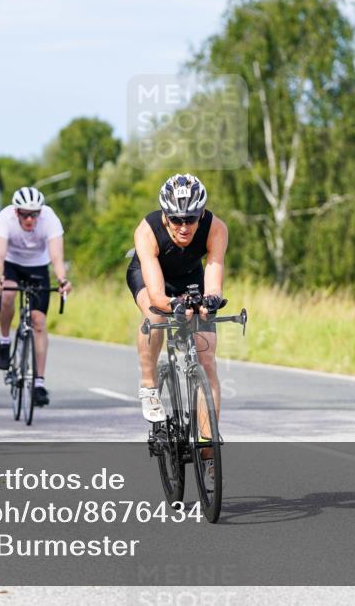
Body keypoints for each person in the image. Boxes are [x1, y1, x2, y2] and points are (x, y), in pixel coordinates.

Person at [126, 173, 228, 485]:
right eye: (176, 219)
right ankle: (149, 385)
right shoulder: (147, 231)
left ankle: (208, 449)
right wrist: (175, 305)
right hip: (151, 279)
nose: (184, 227)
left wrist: (209, 301)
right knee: (156, 316)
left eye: (191, 219)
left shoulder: (216, 228)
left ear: (201, 214)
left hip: (190, 278)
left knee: (207, 358)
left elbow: (214, 279)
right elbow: (158, 296)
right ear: (165, 216)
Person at [0, 186, 72, 407]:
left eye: (34, 214)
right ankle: (4, 341)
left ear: (40, 213)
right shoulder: (4, 219)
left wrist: (62, 280)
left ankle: (38, 384)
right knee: (7, 294)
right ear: (16, 212)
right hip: (11, 264)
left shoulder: (50, 219)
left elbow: (56, 256)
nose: (29, 219)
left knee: (39, 321)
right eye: (24, 214)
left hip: (38, 267)